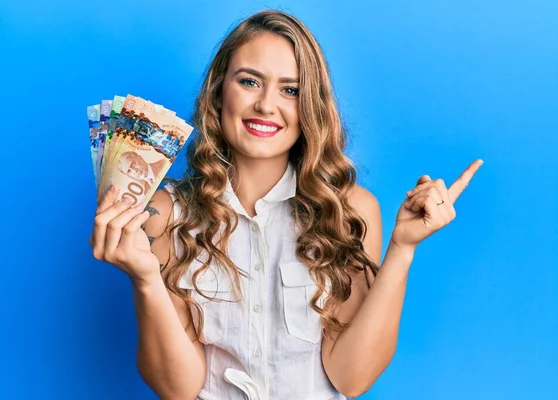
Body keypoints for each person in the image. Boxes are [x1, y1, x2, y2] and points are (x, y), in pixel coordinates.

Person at [89, 9, 483, 400]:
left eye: (290, 90)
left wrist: (402, 249)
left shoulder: (349, 211)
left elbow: (351, 378)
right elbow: (176, 388)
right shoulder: (165, 213)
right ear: (218, 90)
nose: (265, 105)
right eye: (249, 81)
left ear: (310, 105)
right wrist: (145, 280)